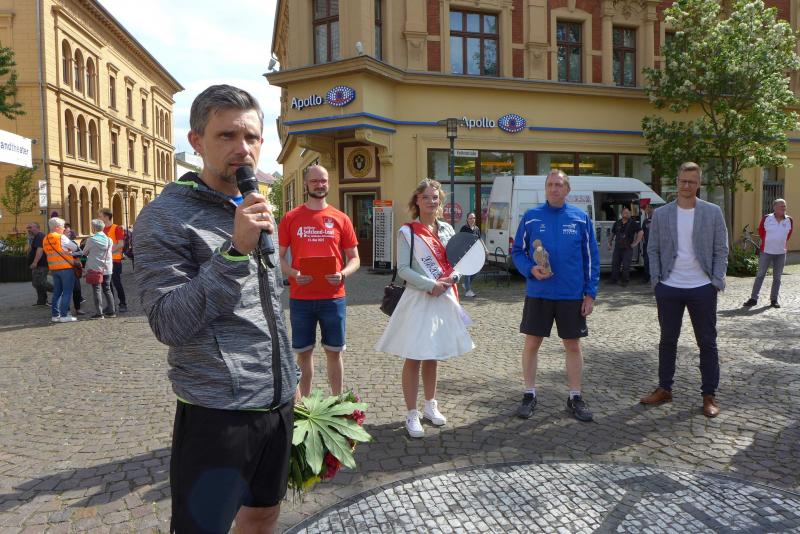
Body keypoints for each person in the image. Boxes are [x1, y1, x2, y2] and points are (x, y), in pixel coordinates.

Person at [134, 84, 297, 533]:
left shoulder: (256, 206)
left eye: (252, 137)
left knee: (264, 513)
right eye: (227, 135)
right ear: (197, 141)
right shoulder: (164, 217)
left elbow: (268, 306)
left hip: (276, 399)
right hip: (217, 410)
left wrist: (289, 379)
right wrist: (234, 252)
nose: (243, 149)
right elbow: (168, 321)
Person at [375, 179, 474, 438]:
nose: (432, 201)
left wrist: (454, 278)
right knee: (415, 355)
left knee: (433, 355)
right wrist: (431, 284)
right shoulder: (407, 232)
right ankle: (411, 413)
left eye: (435, 197)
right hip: (419, 299)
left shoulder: (447, 230)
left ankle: (430, 405)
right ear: (417, 200)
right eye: (426, 197)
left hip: (443, 299)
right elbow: (403, 270)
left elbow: (458, 263)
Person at [511, 170, 600, 422]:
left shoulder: (580, 218)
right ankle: (529, 394)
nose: (554, 188)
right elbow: (517, 251)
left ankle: (575, 396)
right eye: (550, 184)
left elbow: (590, 258)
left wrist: (590, 294)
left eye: (559, 185)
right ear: (545, 188)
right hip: (539, 292)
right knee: (532, 343)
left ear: (567, 189)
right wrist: (530, 269)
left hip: (571, 294)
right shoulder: (531, 217)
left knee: (572, 345)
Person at [641, 162, 728, 418]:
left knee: (707, 342)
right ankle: (664, 388)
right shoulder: (662, 214)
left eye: (691, 181)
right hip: (669, 287)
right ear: (677, 181)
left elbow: (721, 249)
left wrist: (716, 281)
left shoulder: (712, 212)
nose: (686, 185)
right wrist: (656, 282)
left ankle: (709, 395)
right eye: (683, 181)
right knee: (667, 340)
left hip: (702, 287)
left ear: (698, 184)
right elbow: (653, 249)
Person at [278, 164, 360, 397]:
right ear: (306, 184)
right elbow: (278, 258)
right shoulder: (291, 218)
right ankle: (305, 405)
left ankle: (337, 403)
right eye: (314, 181)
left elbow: (354, 258)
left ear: (328, 183)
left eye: (323, 180)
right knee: (304, 353)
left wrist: (343, 273)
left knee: (334, 352)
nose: (319, 185)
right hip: (301, 298)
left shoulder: (341, 218)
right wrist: (293, 274)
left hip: (333, 297)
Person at [743, 198, 793, 309]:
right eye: (781, 206)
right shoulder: (767, 218)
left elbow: (788, 235)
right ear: (774, 207)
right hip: (766, 252)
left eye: (785, 206)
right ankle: (753, 299)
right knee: (760, 275)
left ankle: (774, 300)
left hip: (781, 253)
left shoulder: (789, 220)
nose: (784, 208)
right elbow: (761, 232)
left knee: (777, 278)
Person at [42, 217, 79, 322]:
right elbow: (75, 247)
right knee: (67, 292)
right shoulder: (61, 237)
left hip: (54, 269)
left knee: (57, 292)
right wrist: (68, 251)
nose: (64, 229)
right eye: (62, 227)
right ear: (57, 227)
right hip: (65, 268)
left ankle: (55, 315)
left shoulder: (45, 239)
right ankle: (64, 316)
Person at [82, 219, 116, 318]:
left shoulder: (91, 240)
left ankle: (99, 313)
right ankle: (112, 311)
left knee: (97, 289)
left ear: (93, 228)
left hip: (95, 268)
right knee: (107, 289)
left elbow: (84, 252)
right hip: (107, 267)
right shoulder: (109, 240)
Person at [99, 208, 128, 312]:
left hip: (115, 261)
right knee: (107, 285)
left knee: (116, 282)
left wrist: (108, 252)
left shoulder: (117, 228)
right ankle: (111, 305)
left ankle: (123, 304)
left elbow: (121, 244)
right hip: (104, 261)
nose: (99, 218)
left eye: (100, 216)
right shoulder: (101, 230)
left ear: (106, 217)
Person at [608, 207, 641, 286]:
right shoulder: (617, 223)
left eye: (628, 213)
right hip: (617, 248)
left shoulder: (633, 223)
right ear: (621, 214)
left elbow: (641, 232)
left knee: (626, 265)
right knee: (615, 264)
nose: (627, 214)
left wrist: (636, 243)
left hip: (627, 248)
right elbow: (613, 233)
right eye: (625, 212)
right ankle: (614, 280)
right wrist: (609, 243)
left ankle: (625, 281)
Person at [26, 222, 49, 306]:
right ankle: (41, 301)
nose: (29, 229)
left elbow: (40, 250)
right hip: (39, 264)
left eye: (30, 227)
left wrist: (35, 262)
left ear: (37, 228)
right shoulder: (36, 237)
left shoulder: (40, 236)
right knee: (37, 283)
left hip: (41, 264)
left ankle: (58, 290)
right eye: (28, 228)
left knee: (39, 282)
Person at [459, 212, 481, 297]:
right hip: (466, 253)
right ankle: (468, 291)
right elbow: (460, 239)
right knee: (468, 271)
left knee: (477, 270)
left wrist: (485, 249)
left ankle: (466, 284)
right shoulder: (464, 228)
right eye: (470, 218)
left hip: (474, 253)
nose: (472, 220)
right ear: (467, 219)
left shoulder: (476, 229)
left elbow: (479, 240)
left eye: (473, 218)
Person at [640, 204, 654, 284]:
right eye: (646, 208)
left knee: (655, 261)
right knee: (646, 261)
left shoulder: (657, 220)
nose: (647, 210)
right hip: (647, 245)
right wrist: (643, 240)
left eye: (649, 208)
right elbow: (642, 231)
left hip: (655, 245)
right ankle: (646, 278)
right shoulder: (645, 221)